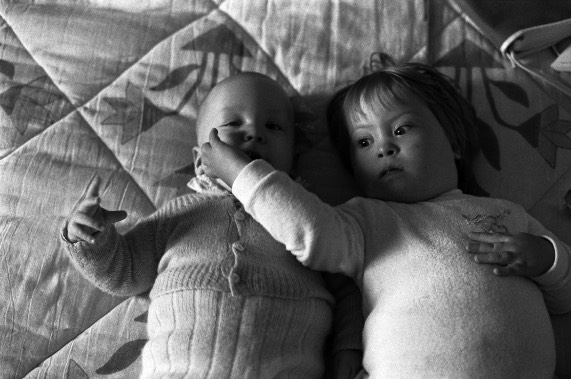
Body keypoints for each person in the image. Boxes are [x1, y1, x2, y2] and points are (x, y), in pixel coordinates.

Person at [199, 62, 571, 377]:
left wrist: (546, 257)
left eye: (401, 129)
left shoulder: (508, 213)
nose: (384, 147)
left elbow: (565, 296)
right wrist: (241, 174)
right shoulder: (365, 220)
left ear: (454, 142)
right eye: (363, 142)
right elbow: (307, 230)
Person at [60, 72, 363, 378]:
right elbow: (125, 272)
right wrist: (92, 238)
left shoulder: (304, 213)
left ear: (294, 157)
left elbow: (346, 284)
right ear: (199, 160)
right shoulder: (181, 214)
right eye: (233, 123)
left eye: (273, 126)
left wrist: (348, 345)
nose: (254, 133)